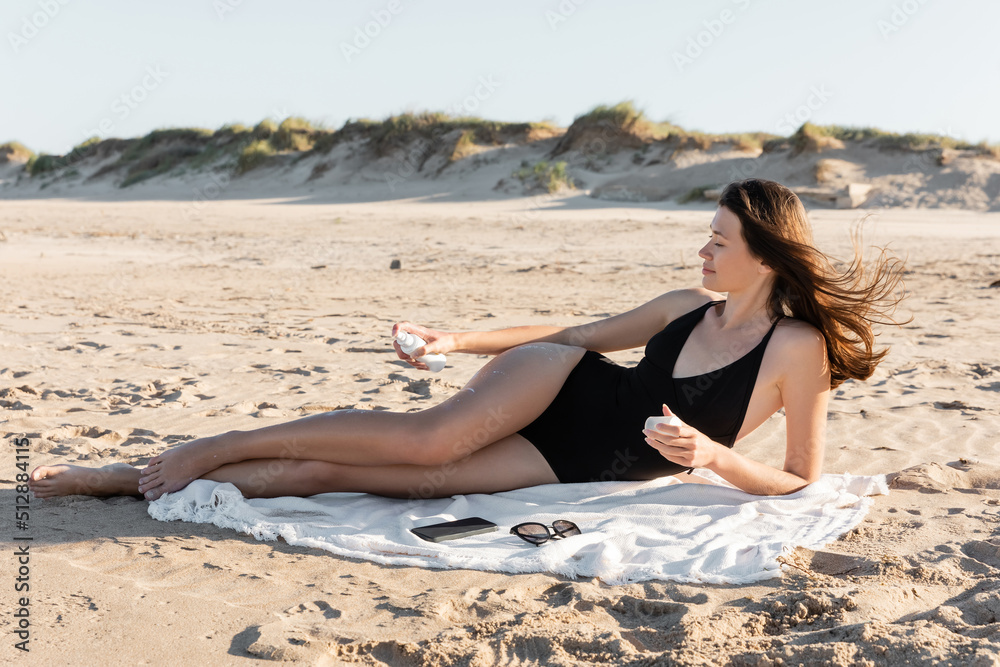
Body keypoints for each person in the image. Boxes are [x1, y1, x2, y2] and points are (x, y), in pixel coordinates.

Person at [28, 178, 905, 503]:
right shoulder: (685, 302)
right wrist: (460, 341)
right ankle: (209, 446)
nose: (702, 249)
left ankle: (124, 481)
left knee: (340, 478)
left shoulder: (797, 349)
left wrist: (712, 456)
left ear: (764, 250)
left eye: (718, 238)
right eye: (705, 234)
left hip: (579, 462)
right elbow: (575, 334)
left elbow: (797, 478)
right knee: (428, 441)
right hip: (559, 384)